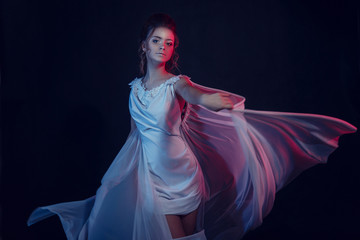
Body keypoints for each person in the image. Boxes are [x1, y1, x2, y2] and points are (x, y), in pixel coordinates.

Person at [27, 13, 357, 240]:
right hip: (154, 183)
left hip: (185, 177)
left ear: (173, 49)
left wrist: (212, 100)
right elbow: (134, 135)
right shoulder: (134, 89)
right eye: (156, 40)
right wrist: (116, 180)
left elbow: (194, 94)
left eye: (168, 43)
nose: (162, 47)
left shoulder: (177, 84)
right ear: (144, 45)